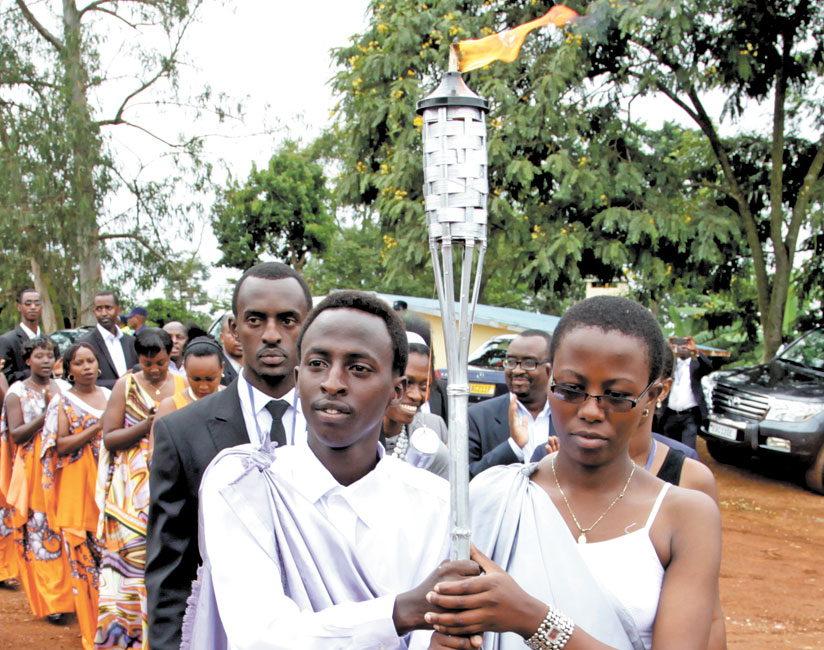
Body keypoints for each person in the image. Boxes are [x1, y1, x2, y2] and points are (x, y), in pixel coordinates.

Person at [425, 296, 722, 650]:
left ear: (653, 396)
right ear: (551, 381)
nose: (591, 410)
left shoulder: (685, 516)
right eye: (571, 389)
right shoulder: (494, 496)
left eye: (617, 395)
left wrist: (531, 619)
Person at [184, 290, 476, 649]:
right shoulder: (244, 486)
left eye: (358, 368)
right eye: (318, 364)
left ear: (397, 391)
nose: (332, 382)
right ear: (297, 376)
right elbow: (260, 636)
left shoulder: (436, 505)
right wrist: (401, 611)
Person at [146, 262, 312, 650]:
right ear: (234, 330)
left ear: (307, 326)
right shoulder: (182, 432)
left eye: (288, 320)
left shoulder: (340, 423)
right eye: (256, 320)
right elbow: (171, 571)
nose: (272, 335)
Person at [96, 327, 185, 648]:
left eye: (159, 362)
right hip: (128, 492)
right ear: (139, 360)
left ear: (169, 355)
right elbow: (109, 437)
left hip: (170, 480)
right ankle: (127, 637)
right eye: (147, 363)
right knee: (129, 562)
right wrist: (148, 425)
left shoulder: (183, 383)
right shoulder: (125, 385)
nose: (154, 369)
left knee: (167, 554)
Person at [42, 342, 111, 649]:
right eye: (79, 362)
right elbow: (60, 446)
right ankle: (91, 632)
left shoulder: (111, 396)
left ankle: (116, 627)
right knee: (84, 564)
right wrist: (96, 428)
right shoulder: (62, 402)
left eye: (91, 360)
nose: (87, 367)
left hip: (109, 490)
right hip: (77, 491)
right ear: (68, 369)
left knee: (111, 561)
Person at [0, 336, 73, 624]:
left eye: (49, 355)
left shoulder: (66, 388)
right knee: (41, 531)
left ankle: (71, 594)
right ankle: (53, 601)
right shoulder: (17, 392)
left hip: (64, 467)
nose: (45, 361)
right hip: (31, 470)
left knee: (65, 529)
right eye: (39, 356)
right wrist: (46, 413)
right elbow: (16, 434)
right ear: (28, 359)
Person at [468, 330, 555, 477]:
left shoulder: (568, 417)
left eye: (528, 363)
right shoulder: (477, 417)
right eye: (511, 362)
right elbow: (464, 479)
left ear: (550, 369)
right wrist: (513, 446)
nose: (517, 370)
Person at [383, 332, 450, 478]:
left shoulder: (433, 429)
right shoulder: (351, 433)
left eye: (424, 386)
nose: (416, 395)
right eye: (407, 383)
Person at [152, 337, 225, 427]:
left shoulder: (233, 399)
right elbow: (157, 440)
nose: (203, 386)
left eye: (210, 379)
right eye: (196, 379)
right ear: (185, 368)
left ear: (222, 368)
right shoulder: (170, 406)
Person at [659, 336, 712, 450]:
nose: (683, 349)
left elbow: (708, 367)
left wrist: (696, 351)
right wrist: (667, 349)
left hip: (689, 416)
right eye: (680, 346)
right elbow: (658, 365)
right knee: (668, 449)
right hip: (670, 415)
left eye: (686, 346)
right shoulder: (670, 365)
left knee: (688, 449)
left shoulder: (696, 366)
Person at [78, 291, 138, 389]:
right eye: (99, 309)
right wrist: (119, 383)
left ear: (118, 310)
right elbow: (80, 380)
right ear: (94, 312)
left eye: (108, 308)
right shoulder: (85, 344)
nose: (104, 313)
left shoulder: (131, 342)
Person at [0, 288, 44, 385]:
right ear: (19, 307)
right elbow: (5, 377)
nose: (33, 307)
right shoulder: (7, 341)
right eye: (28, 303)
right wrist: (37, 372)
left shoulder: (50, 342)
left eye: (37, 303)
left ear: (41, 307)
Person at [219, 313, 243, 386]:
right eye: (232, 333)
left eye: (242, 333)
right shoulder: (215, 368)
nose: (239, 338)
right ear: (222, 337)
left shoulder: (258, 366)